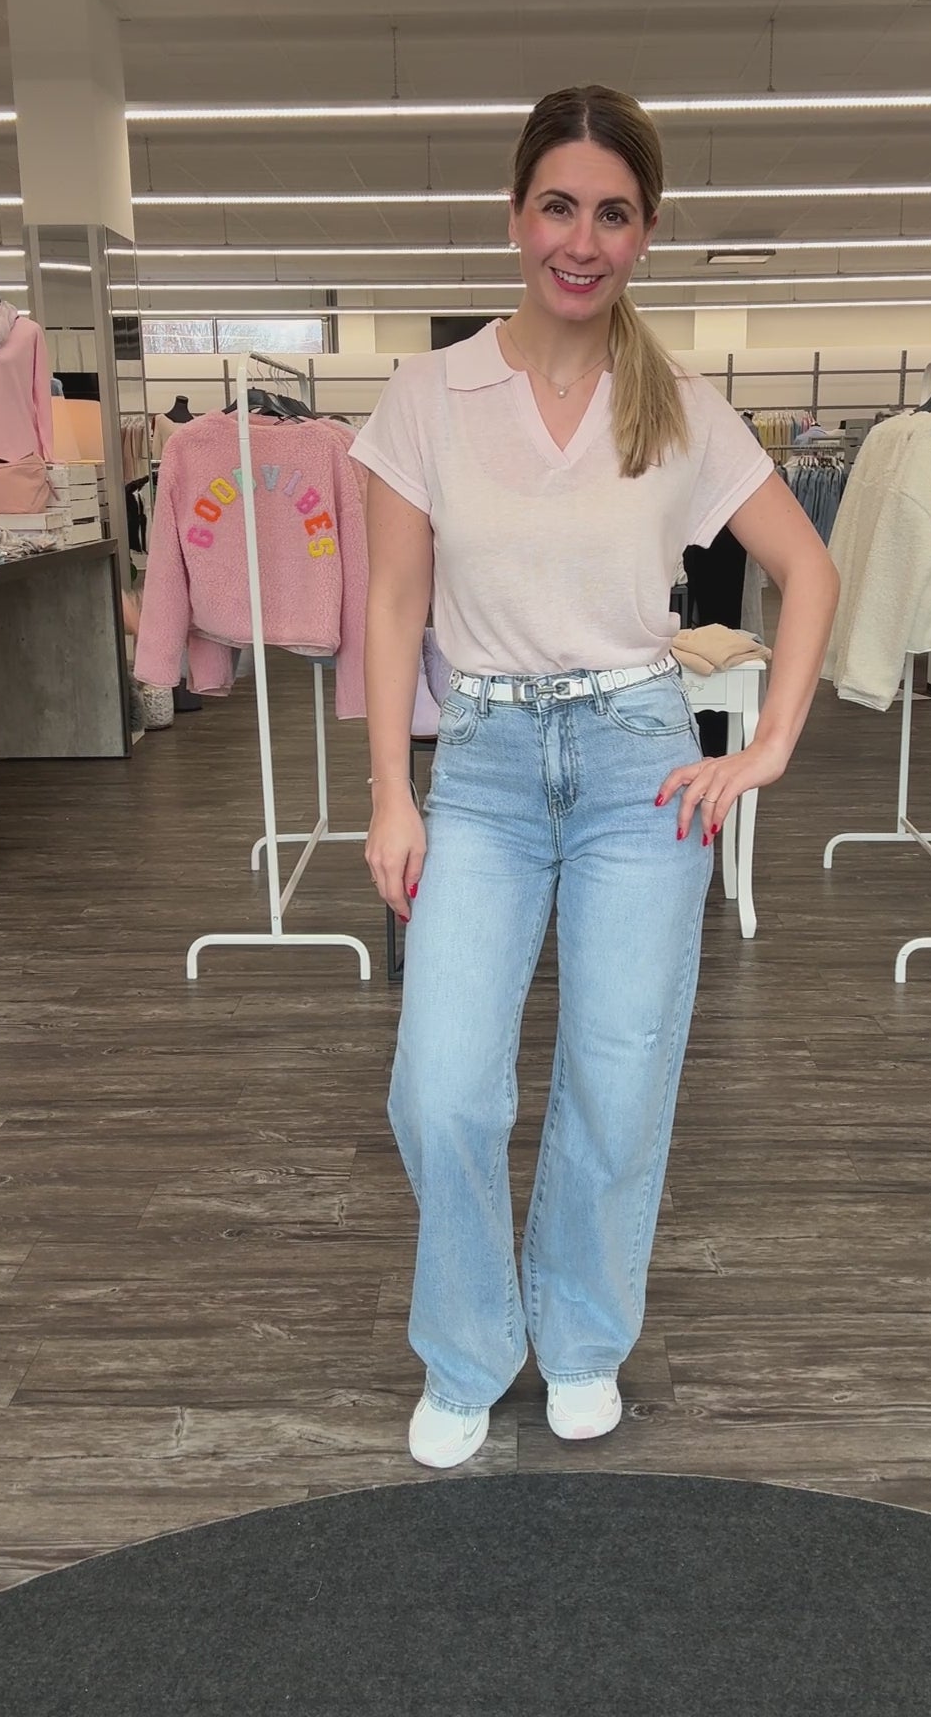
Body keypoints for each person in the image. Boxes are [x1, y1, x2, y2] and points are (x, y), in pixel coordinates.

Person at [350, 85, 839, 1470]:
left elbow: (808, 568)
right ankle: (467, 1346)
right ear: (516, 216)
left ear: (646, 232)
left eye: (613, 214)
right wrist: (390, 791)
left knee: (619, 1079)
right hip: (486, 762)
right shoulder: (428, 396)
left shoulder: (678, 404)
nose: (583, 239)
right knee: (442, 1085)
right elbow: (393, 605)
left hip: (640, 761)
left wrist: (768, 749)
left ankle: (579, 1338)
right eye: (558, 206)